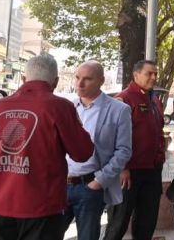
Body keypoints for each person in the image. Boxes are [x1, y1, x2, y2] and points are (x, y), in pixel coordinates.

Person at [0, 54, 94, 240]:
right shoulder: (60, 108)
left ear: (23, 78)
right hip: (43, 209)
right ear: (55, 82)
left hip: (1, 206)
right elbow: (83, 152)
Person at [62, 61, 132, 240]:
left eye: (87, 79)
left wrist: (100, 181)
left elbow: (123, 150)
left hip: (90, 185)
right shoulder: (65, 107)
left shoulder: (118, 109)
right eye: (77, 77)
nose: (80, 83)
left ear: (101, 81)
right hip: (60, 185)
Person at [104, 60, 165, 240]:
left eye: (155, 73)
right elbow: (111, 137)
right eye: (149, 73)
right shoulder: (123, 99)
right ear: (136, 75)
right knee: (118, 223)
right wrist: (122, 167)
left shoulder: (154, 99)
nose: (153, 77)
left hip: (152, 170)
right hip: (129, 173)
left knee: (147, 223)